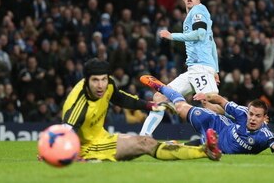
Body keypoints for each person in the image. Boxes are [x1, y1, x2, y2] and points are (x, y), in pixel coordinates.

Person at [61, 58, 221, 161]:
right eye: (95, 80)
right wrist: (58, 154)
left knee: (146, 142)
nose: (101, 85)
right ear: (85, 80)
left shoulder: (108, 84)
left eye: (103, 79)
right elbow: (64, 133)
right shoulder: (78, 104)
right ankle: (204, 151)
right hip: (90, 148)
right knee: (145, 144)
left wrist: (149, 105)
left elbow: (120, 98)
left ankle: (203, 149)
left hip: (103, 137)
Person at [140, 75, 274, 156]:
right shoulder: (242, 113)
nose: (252, 118)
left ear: (264, 118)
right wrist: (206, 97)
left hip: (214, 144)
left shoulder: (264, 136)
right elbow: (220, 100)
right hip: (214, 123)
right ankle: (160, 86)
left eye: (257, 116)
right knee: (181, 108)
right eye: (251, 114)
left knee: (184, 151)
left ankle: (172, 144)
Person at [140, 0, 220, 136]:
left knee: (211, 104)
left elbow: (200, 34)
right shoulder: (195, 13)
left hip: (200, 67)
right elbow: (211, 43)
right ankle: (143, 138)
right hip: (195, 69)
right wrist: (216, 69)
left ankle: (241, 122)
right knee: (160, 96)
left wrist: (172, 36)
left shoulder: (198, 11)